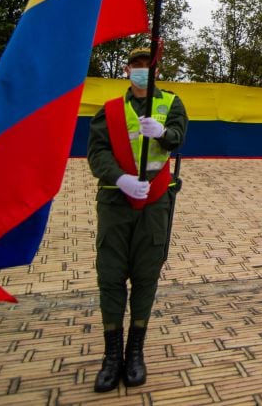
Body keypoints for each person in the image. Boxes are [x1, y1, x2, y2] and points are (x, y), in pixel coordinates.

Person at [87, 46, 188, 392]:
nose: (142, 70)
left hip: (156, 201)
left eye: (149, 65)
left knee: (146, 274)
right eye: (137, 65)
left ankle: (135, 352)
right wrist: (120, 177)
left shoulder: (171, 103)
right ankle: (111, 355)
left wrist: (162, 133)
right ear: (127, 70)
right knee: (111, 276)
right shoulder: (110, 111)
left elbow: (178, 137)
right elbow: (96, 153)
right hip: (116, 200)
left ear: (156, 69)